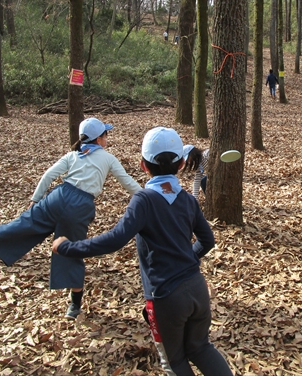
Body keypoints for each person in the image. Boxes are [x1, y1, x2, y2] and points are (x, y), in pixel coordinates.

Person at [52, 127, 233, 376]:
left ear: (142, 165)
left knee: (174, 361)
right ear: (181, 164)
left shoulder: (144, 200)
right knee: (201, 347)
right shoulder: (188, 200)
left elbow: (115, 239)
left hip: (165, 297)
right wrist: (187, 259)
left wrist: (67, 247)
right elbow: (207, 240)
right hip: (197, 288)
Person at [0, 117, 142, 319]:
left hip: (57, 197)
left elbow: (48, 175)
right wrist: (149, 197)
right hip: (79, 206)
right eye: (106, 134)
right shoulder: (108, 158)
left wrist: (35, 200)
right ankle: (74, 307)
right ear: (99, 139)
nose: (107, 137)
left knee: (17, 227)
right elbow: (127, 183)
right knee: (71, 249)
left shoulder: (73, 155)